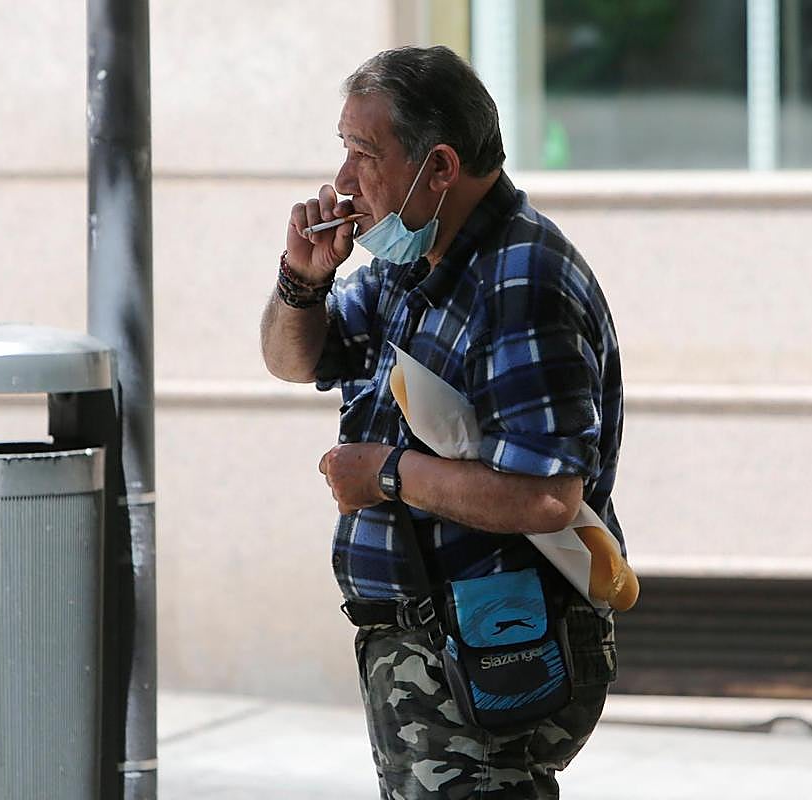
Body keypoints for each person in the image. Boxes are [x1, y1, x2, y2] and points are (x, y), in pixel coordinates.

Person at [259, 45, 623, 799]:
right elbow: (297, 360)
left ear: (441, 168)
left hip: (495, 641)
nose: (345, 180)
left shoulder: (523, 279)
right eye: (344, 150)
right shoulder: (411, 263)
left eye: (366, 153)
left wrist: (387, 476)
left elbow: (546, 496)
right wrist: (304, 280)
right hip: (429, 644)